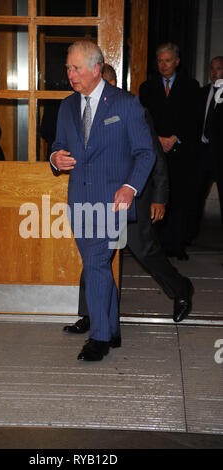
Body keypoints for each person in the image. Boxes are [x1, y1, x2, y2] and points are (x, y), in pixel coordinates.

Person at [64, 64, 194, 336]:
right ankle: (90, 315)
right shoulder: (82, 110)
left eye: (109, 84)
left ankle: (181, 288)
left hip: (133, 198)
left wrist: (160, 197)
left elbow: (154, 155)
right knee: (94, 254)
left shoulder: (132, 110)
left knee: (143, 250)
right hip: (100, 198)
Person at [51, 41, 156, 361]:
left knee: (96, 263)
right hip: (79, 200)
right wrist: (56, 158)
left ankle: (99, 338)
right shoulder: (67, 105)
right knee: (96, 266)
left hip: (113, 201)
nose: (70, 74)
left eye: (76, 68)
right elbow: (57, 143)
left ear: (96, 70)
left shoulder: (126, 104)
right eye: (68, 67)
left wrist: (130, 187)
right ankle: (110, 328)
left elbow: (146, 152)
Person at [139, 43, 200, 260]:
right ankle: (162, 245)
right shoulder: (146, 88)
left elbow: (194, 119)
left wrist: (174, 138)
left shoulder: (191, 86)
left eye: (167, 60)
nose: (163, 65)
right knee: (158, 197)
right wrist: (158, 139)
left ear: (176, 61)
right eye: (159, 61)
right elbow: (143, 120)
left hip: (181, 151)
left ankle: (178, 244)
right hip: (156, 150)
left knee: (181, 199)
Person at [187, 56, 223, 243]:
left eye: (218, 68)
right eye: (211, 68)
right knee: (195, 197)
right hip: (202, 153)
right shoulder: (202, 93)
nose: (214, 72)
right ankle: (188, 236)